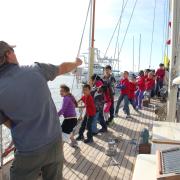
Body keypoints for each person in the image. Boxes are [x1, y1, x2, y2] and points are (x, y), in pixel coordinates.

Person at [0, 41, 82, 180]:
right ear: (8, 54)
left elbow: (8, 122)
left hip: (28, 151)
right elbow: (62, 67)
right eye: (13, 51)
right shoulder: (36, 69)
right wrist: (76, 63)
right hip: (54, 144)